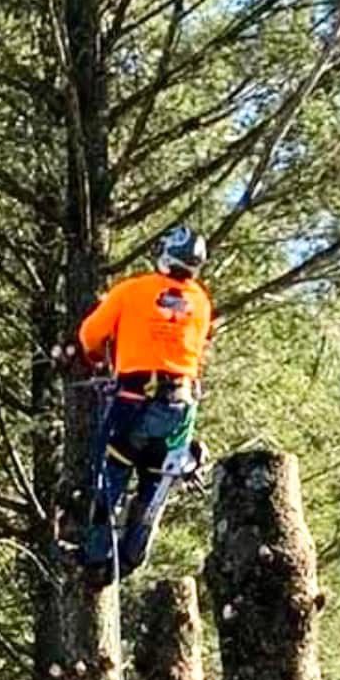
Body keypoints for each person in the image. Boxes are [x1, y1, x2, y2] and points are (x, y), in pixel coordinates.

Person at [74, 223, 212, 583]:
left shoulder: (131, 291)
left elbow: (90, 336)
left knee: (110, 474)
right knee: (157, 481)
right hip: (180, 406)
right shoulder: (200, 301)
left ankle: (94, 556)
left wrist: (94, 357)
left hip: (133, 401)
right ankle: (133, 555)